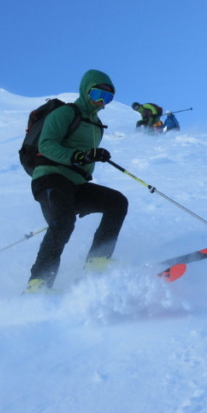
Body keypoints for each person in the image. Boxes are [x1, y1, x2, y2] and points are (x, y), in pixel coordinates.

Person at [24, 70, 128, 293]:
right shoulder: (65, 113)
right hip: (50, 177)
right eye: (98, 94)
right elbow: (47, 145)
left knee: (117, 202)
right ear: (85, 90)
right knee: (63, 222)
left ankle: (98, 261)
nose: (101, 101)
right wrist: (77, 156)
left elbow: (82, 155)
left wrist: (94, 155)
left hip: (75, 184)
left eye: (108, 97)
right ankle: (39, 283)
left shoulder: (97, 125)